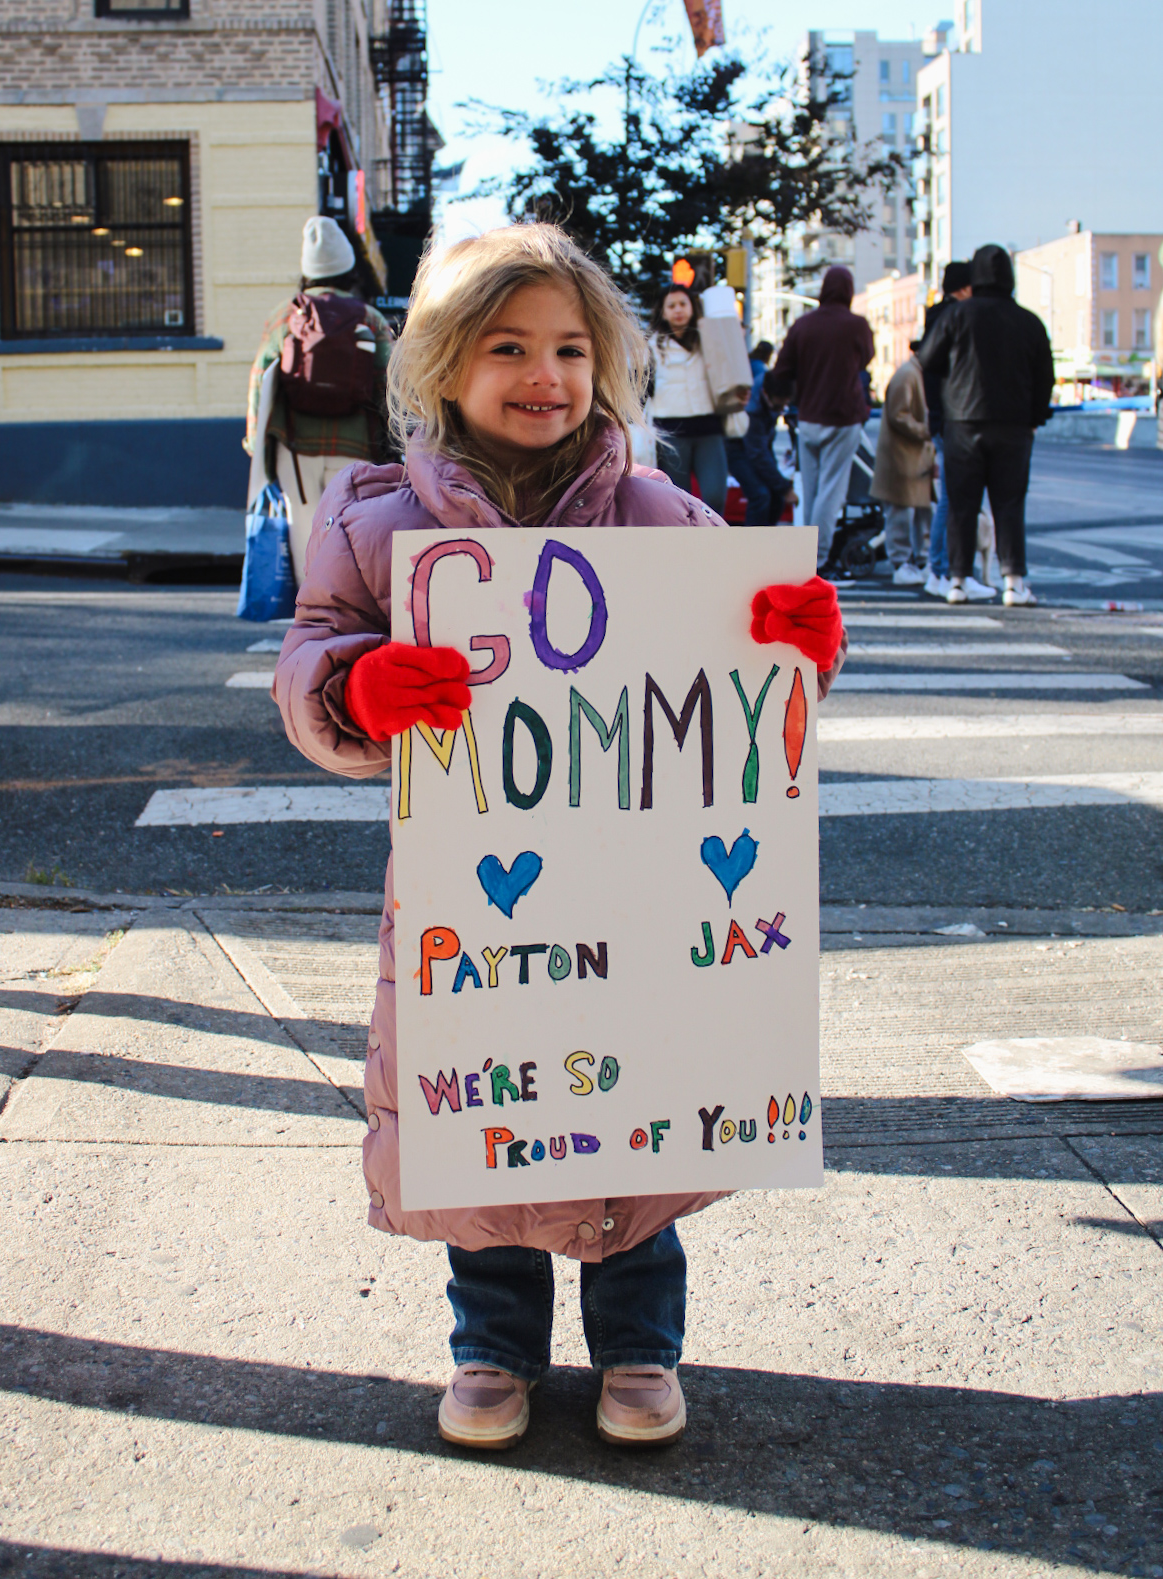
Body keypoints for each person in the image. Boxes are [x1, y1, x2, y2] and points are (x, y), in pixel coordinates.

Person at [273, 224, 848, 1454]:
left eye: (572, 349)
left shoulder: (661, 513)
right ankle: (493, 1349)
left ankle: (639, 1345)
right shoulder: (372, 518)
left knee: (634, 1120)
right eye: (508, 347)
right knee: (486, 1125)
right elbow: (309, 655)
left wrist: (796, 641)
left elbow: (747, 674)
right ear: (440, 366)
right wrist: (358, 692)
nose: (546, 375)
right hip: (471, 905)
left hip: (636, 895)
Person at [244, 216, 393, 587]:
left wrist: (254, 443)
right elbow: (394, 386)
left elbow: (260, 381)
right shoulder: (369, 318)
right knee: (351, 540)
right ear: (347, 269)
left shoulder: (285, 315)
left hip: (295, 450)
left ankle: (307, 627)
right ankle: (348, 627)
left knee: (304, 543)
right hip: (355, 448)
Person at [917, 243, 1055, 606]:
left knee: (962, 504)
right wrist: (1035, 417)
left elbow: (927, 359)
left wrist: (946, 398)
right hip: (1014, 426)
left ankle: (958, 580)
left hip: (962, 422)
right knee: (1009, 504)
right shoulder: (1029, 322)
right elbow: (1046, 377)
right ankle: (1014, 582)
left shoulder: (958, 316)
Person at [764, 266, 875, 569]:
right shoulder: (857, 325)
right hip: (844, 416)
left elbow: (782, 369)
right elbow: (867, 357)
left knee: (810, 489)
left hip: (809, 416)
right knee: (832, 489)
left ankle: (804, 555)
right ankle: (819, 556)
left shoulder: (803, 325)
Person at [921, 261, 994, 601]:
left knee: (950, 497)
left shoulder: (936, 318)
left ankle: (940, 568)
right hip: (954, 420)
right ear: (965, 289)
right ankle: (941, 569)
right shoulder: (957, 319)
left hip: (941, 418)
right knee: (953, 497)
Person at [648, 283, 728, 516]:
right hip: (671, 431)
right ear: (663, 312)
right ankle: (683, 550)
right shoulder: (651, 345)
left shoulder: (710, 340)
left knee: (715, 496)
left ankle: (713, 546)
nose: (678, 310)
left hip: (709, 427)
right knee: (678, 502)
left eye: (683, 303)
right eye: (671, 305)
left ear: (693, 307)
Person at [870, 345, 934, 585]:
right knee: (902, 512)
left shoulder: (913, 373)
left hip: (912, 456)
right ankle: (902, 562)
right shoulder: (908, 375)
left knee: (916, 511)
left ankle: (917, 560)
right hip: (902, 456)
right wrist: (926, 431)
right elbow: (900, 415)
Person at [725, 341, 798, 525]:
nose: (780, 409)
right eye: (778, 404)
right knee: (760, 495)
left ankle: (767, 541)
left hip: (755, 447)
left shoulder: (770, 391)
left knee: (775, 497)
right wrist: (784, 487)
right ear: (766, 394)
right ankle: (751, 546)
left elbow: (764, 448)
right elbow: (757, 453)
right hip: (734, 448)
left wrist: (780, 488)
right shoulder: (753, 409)